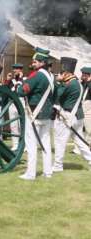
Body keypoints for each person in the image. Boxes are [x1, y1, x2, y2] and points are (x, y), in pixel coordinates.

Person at [16, 47, 57, 180]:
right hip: (47, 115)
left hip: (34, 114)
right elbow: (55, 96)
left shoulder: (37, 75)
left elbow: (23, 91)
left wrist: (19, 84)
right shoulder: (52, 77)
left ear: (42, 62)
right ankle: (47, 172)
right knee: (45, 142)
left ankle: (31, 173)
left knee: (31, 143)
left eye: (35, 62)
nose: (33, 64)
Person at [52, 58, 91, 172]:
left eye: (62, 71)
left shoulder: (68, 83)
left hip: (68, 116)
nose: (61, 73)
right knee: (80, 142)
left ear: (67, 72)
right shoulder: (76, 82)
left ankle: (58, 166)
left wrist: (58, 81)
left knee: (60, 141)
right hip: (77, 117)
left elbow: (57, 96)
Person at [5, 63, 26, 152]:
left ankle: (24, 145)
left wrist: (20, 80)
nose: (14, 71)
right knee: (13, 125)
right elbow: (6, 91)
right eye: (14, 69)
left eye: (16, 69)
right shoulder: (11, 81)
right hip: (12, 103)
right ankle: (15, 144)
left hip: (22, 102)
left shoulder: (25, 79)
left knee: (22, 125)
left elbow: (19, 89)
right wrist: (7, 80)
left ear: (20, 70)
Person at [70, 66, 91, 154]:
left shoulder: (89, 84)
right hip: (81, 107)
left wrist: (89, 81)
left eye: (85, 75)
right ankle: (79, 147)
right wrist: (80, 82)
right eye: (83, 75)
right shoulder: (83, 83)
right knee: (79, 129)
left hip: (88, 108)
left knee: (89, 129)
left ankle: (86, 146)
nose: (83, 77)